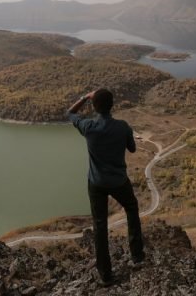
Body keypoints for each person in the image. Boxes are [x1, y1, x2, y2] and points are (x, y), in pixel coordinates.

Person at [67, 87, 144, 286]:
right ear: (112, 105)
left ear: (94, 106)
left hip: (97, 183)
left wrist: (85, 96)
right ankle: (137, 256)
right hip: (119, 181)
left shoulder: (88, 126)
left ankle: (106, 275)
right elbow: (132, 149)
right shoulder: (123, 126)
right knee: (132, 208)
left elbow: (70, 113)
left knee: (100, 225)